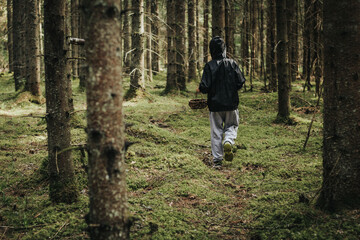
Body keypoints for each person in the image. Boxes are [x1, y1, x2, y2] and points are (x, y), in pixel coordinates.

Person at [196, 36, 246, 169]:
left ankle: (217, 160)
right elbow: (240, 82)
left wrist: (200, 88)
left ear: (211, 50)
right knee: (232, 125)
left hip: (215, 106)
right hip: (231, 104)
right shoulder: (232, 63)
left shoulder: (209, 66)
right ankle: (228, 141)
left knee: (216, 131)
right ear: (224, 49)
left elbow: (205, 87)